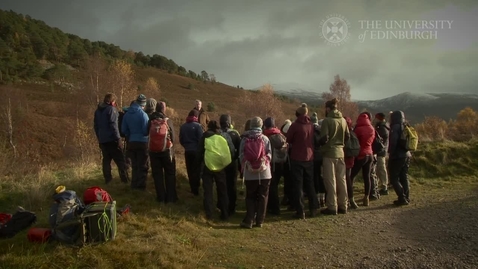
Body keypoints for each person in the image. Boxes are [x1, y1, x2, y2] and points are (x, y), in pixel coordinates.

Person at [286, 103, 318, 219]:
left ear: (297, 114)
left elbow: (288, 139)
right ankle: (313, 208)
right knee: (310, 183)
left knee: (298, 185)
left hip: (297, 157)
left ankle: (300, 211)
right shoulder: (311, 125)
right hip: (309, 157)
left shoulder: (295, 125)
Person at [239, 117, 272, 228]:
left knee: (250, 196)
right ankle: (260, 221)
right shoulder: (265, 139)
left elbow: (241, 156)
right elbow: (269, 154)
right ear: (261, 125)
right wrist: (263, 163)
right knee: (263, 196)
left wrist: (247, 166)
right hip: (264, 173)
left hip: (249, 173)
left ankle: (249, 220)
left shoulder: (244, 139)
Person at [196, 120, 233, 220]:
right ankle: (225, 214)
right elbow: (230, 151)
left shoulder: (205, 136)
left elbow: (199, 152)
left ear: (208, 126)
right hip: (220, 167)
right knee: (222, 190)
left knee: (208, 191)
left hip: (207, 165)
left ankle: (209, 214)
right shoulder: (223, 136)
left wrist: (198, 165)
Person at [320, 98, 350, 215]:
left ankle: (332, 206)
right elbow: (347, 136)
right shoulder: (343, 120)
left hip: (329, 153)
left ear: (328, 108)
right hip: (341, 153)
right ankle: (344, 205)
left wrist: (320, 143)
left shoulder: (327, 121)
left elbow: (324, 138)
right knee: (342, 180)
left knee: (330, 181)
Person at [93, 93, 129, 184]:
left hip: (102, 139)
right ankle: (124, 179)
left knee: (106, 160)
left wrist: (99, 137)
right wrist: (118, 139)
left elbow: (96, 126)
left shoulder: (97, 111)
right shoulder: (111, 110)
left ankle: (108, 180)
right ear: (112, 101)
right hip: (112, 139)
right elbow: (114, 125)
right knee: (120, 160)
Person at [148, 101, 177, 203]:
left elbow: (146, 133)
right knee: (170, 173)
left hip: (153, 152)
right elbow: (173, 137)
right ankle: (171, 198)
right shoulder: (167, 121)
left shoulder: (150, 120)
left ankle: (161, 198)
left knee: (157, 175)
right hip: (166, 151)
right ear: (164, 109)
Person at [121, 94, 150, 190]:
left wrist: (131, 134)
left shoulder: (127, 114)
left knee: (134, 164)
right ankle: (141, 186)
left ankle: (133, 185)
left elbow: (123, 130)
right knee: (143, 165)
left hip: (131, 142)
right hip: (142, 142)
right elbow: (146, 131)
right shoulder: (143, 115)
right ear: (143, 104)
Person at [263, 117, 289, 215]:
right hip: (282, 163)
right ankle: (275, 207)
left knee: (271, 187)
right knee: (275, 185)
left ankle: (274, 208)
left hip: (271, 164)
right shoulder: (280, 135)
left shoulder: (266, 135)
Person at [349, 112, 375, 206]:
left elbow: (354, 141)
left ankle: (350, 198)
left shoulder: (358, 129)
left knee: (351, 176)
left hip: (361, 155)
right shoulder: (372, 128)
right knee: (367, 176)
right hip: (370, 154)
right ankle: (366, 197)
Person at [388, 111, 412, 206]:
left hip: (398, 156)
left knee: (394, 178)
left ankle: (401, 198)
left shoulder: (395, 127)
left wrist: (390, 153)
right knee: (404, 176)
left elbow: (393, 142)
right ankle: (406, 197)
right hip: (407, 154)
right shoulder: (405, 126)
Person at [219, 114, 241, 215]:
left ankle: (222, 205)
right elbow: (240, 150)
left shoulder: (217, 134)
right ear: (230, 122)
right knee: (232, 185)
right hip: (232, 163)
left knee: (222, 184)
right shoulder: (235, 134)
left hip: (220, 163)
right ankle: (232, 207)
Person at [179, 109, 203, 196]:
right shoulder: (198, 126)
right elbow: (201, 139)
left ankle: (192, 188)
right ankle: (196, 189)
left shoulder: (183, 126)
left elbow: (181, 139)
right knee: (196, 170)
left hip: (187, 151)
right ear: (196, 117)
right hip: (196, 151)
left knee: (189, 170)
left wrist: (186, 146)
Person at [373, 113, 390, 195]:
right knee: (380, 169)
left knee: (381, 168)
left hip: (380, 151)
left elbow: (377, 139)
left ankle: (384, 186)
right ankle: (381, 185)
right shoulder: (386, 126)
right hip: (383, 150)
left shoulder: (381, 128)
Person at [311, 114, 326, 207]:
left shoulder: (310, 131)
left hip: (313, 157)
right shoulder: (322, 130)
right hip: (322, 155)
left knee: (314, 177)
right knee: (322, 177)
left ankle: (316, 198)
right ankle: (323, 198)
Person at [344, 116, 357, 209]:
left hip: (344, 159)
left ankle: (346, 200)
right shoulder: (353, 133)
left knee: (343, 180)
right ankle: (351, 199)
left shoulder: (344, 134)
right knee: (348, 180)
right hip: (351, 159)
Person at [279, 119, 293, 207]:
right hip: (292, 161)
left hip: (289, 162)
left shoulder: (286, 139)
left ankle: (288, 198)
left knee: (288, 182)